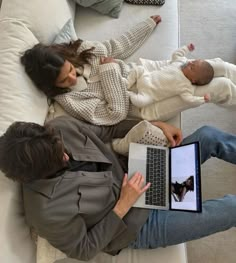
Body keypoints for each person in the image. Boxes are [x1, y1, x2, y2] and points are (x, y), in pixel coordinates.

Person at [1, 116, 236, 261]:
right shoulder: (44, 212)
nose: (65, 155)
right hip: (136, 227)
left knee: (208, 135)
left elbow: (107, 130)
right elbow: (83, 249)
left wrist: (153, 125)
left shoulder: (59, 128)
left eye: (60, 148)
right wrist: (123, 205)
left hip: (141, 172)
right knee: (231, 208)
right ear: (35, 175)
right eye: (58, 160)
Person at [21, 15, 236, 125]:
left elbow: (118, 46)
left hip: (152, 73)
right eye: (63, 81)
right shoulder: (70, 101)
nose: (72, 76)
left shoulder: (82, 50)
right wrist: (109, 72)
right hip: (147, 102)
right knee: (221, 86)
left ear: (66, 57)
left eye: (69, 69)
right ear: (52, 86)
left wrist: (147, 26)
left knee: (215, 65)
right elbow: (115, 113)